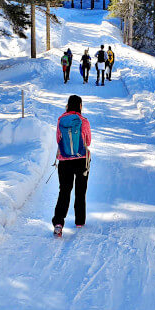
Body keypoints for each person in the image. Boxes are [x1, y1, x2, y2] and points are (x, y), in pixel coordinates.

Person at [52, 95, 91, 237]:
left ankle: (58, 223)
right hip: (81, 160)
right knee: (80, 190)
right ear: (80, 106)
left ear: (67, 105)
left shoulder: (61, 119)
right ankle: (79, 221)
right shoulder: (83, 121)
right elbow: (88, 141)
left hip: (64, 160)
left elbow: (58, 139)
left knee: (64, 191)